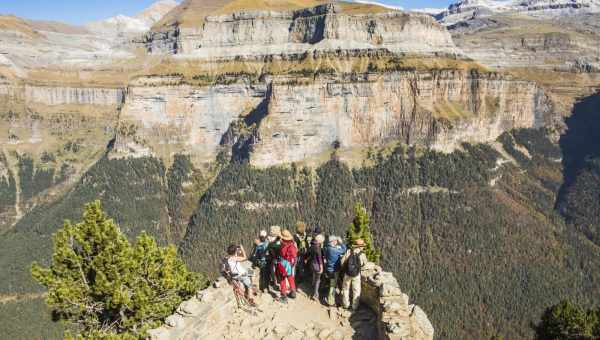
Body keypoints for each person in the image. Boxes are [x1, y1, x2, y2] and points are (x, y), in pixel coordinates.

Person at [341, 239, 368, 310]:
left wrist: (346, 268)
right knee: (356, 290)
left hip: (347, 274)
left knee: (345, 289)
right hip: (356, 275)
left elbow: (342, 262)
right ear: (360, 246)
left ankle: (345, 304)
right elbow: (365, 264)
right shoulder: (362, 254)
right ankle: (354, 306)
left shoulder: (349, 252)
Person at [324, 235, 347, 306]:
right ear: (333, 241)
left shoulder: (327, 248)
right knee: (332, 286)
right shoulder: (333, 250)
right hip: (334, 270)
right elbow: (344, 250)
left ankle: (331, 297)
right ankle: (331, 301)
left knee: (331, 284)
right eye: (336, 241)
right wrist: (341, 242)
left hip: (328, 268)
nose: (337, 242)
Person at [276, 229, 298, 303]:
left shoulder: (283, 245)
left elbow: (281, 253)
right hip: (290, 263)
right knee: (290, 278)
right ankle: (293, 292)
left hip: (283, 263)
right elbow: (295, 256)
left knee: (282, 279)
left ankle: (284, 296)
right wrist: (293, 264)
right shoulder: (292, 244)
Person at [308, 233, 325, 301]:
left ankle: (312, 286)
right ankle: (315, 294)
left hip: (312, 264)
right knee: (318, 280)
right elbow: (319, 258)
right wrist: (321, 267)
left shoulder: (312, 245)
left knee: (314, 277)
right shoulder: (318, 248)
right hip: (317, 265)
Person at [267, 226, 282, 291]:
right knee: (280, 272)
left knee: (273, 271)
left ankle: (275, 283)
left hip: (273, 258)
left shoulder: (270, 240)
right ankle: (281, 284)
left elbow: (268, 249)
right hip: (280, 258)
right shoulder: (280, 240)